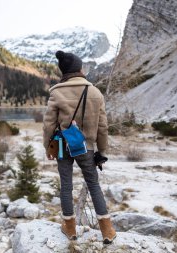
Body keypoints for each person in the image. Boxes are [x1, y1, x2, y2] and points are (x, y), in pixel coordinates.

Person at [43, 50, 116, 244]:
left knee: (66, 185)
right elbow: (103, 126)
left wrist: (47, 147)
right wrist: (102, 151)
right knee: (93, 184)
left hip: (63, 146)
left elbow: (48, 125)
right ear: (79, 68)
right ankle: (107, 230)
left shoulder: (57, 92)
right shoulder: (95, 92)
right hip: (87, 147)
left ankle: (70, 229)